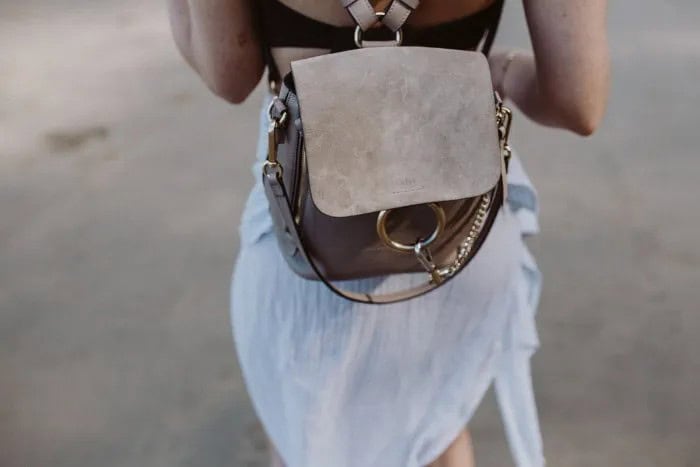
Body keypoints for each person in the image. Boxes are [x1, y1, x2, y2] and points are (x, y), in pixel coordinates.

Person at [167, 1, 609, 466]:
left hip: (308, 238)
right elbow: (577, 102)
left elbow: (228, 74)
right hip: (458, 232)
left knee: (306, 439)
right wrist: (502, 68)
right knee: (436, 438)